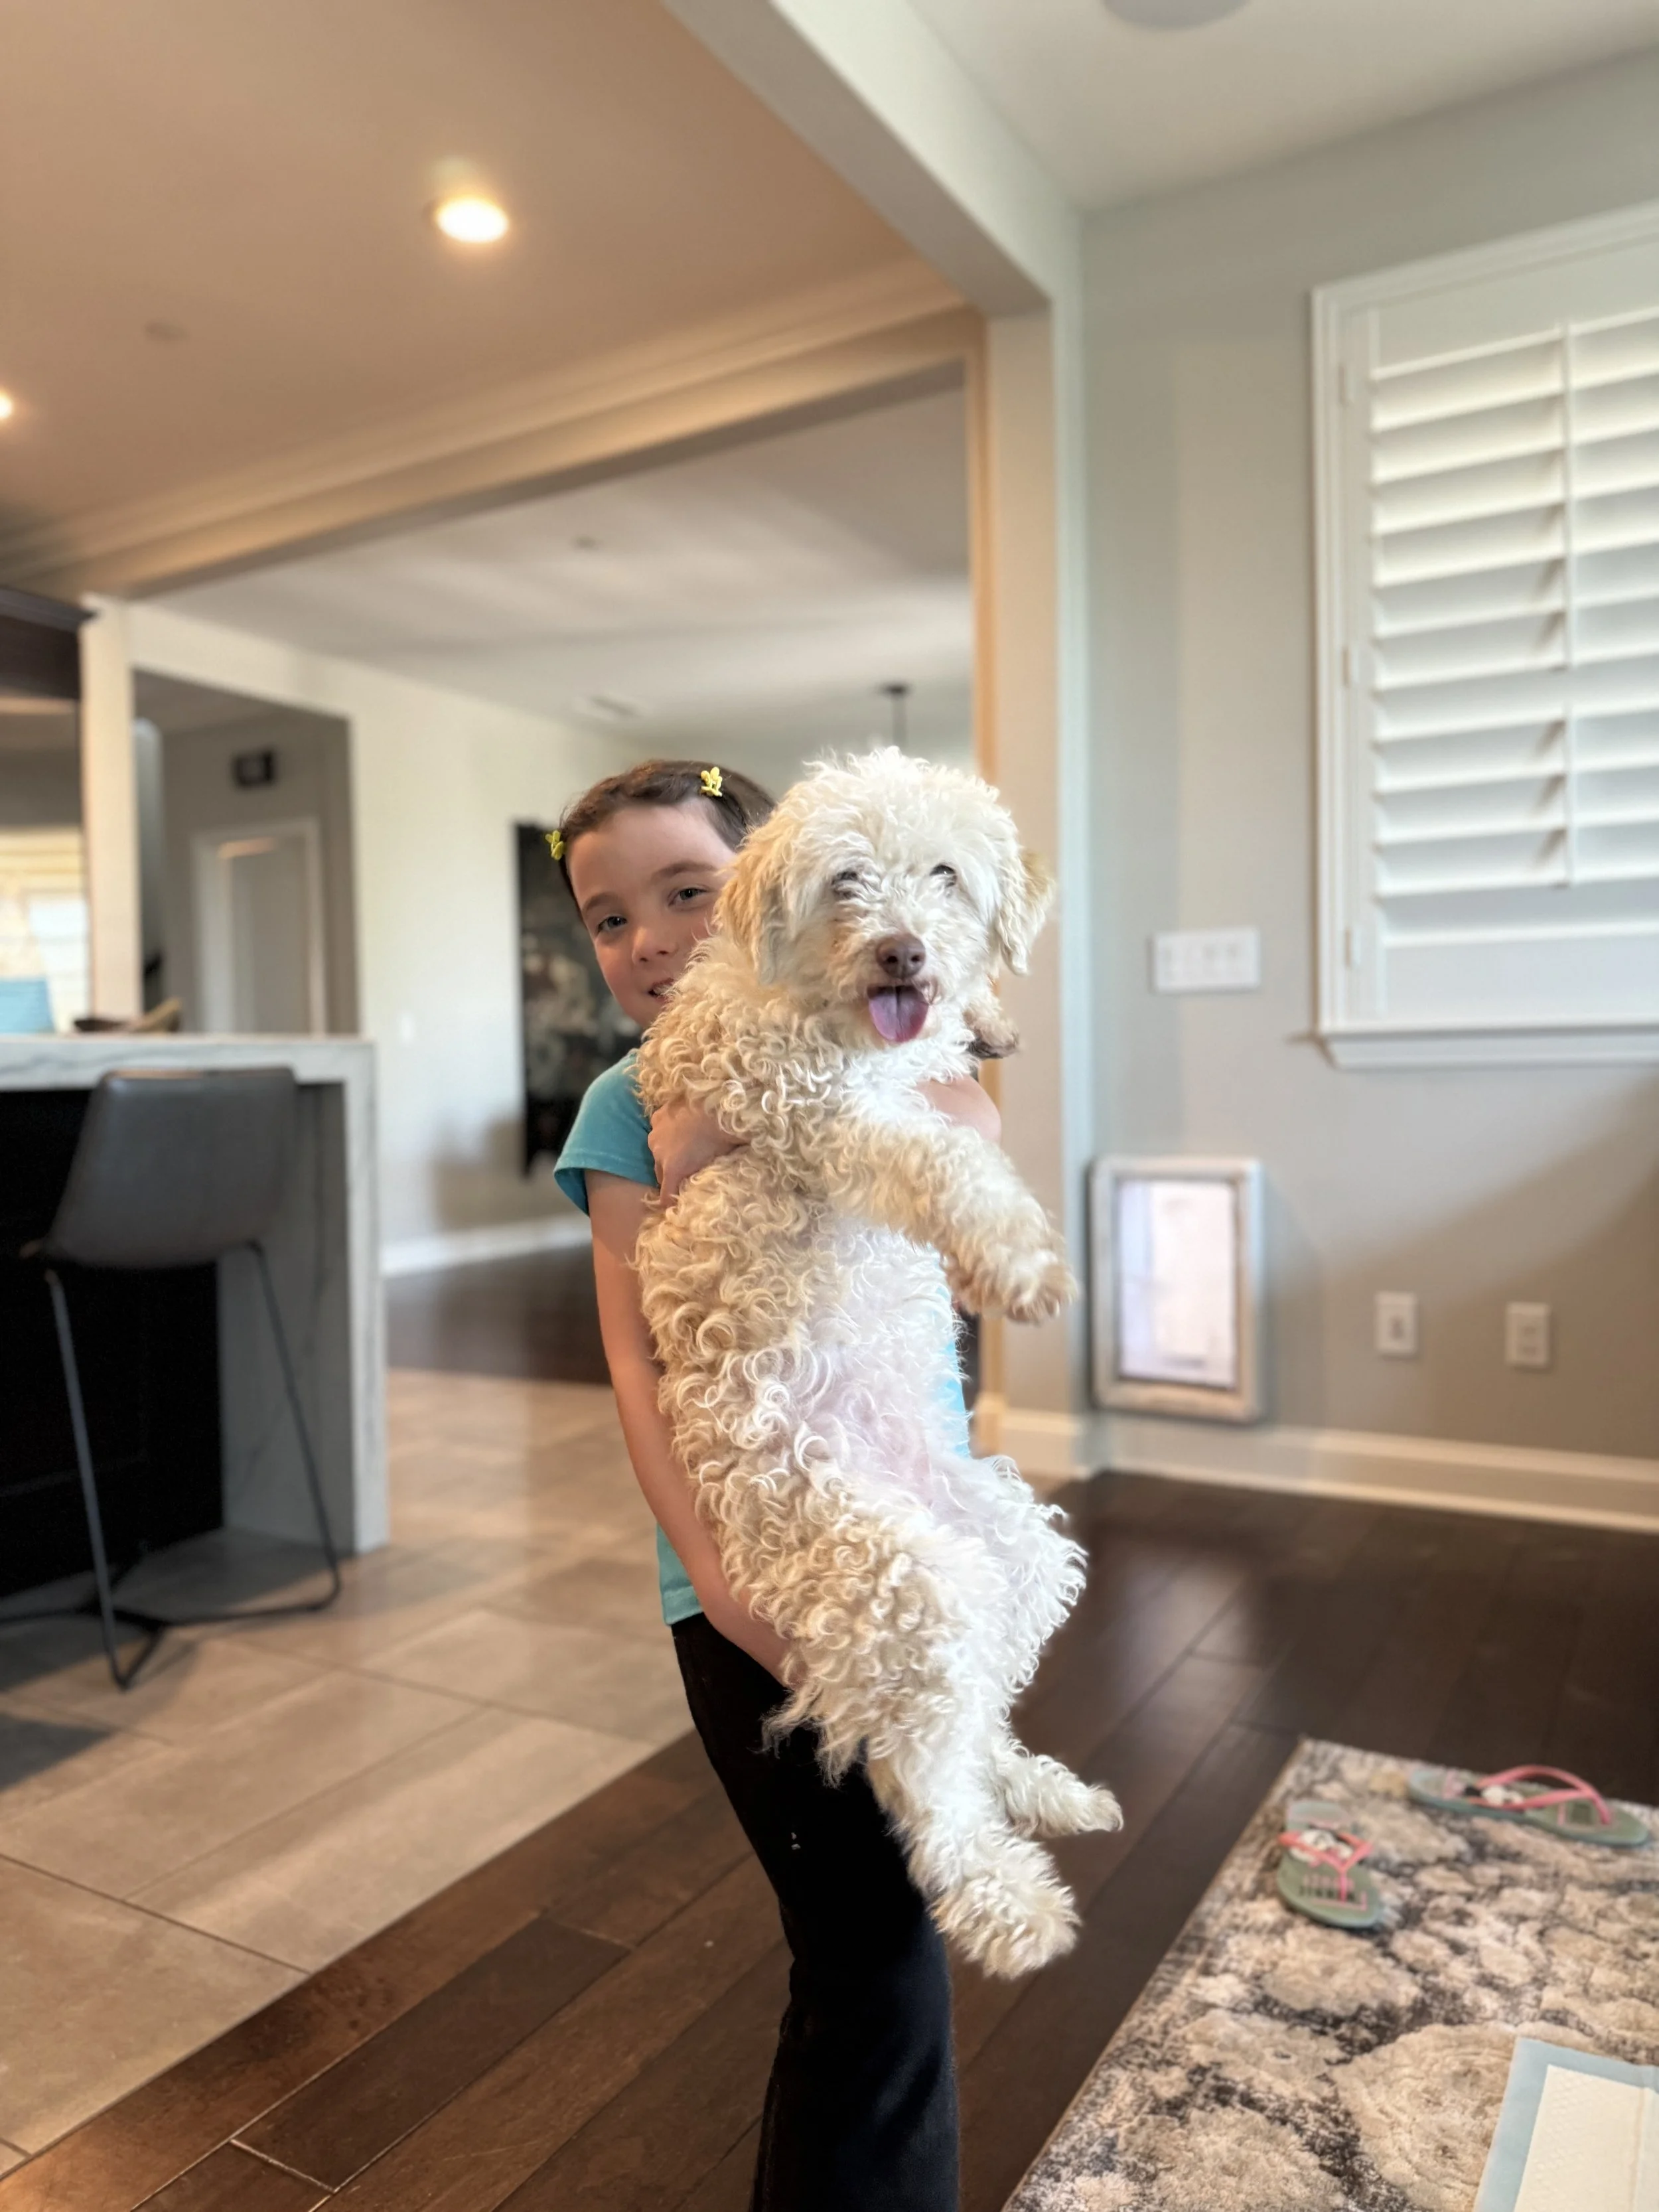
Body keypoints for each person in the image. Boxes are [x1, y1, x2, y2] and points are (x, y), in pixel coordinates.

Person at [551, 758, 998, 2211]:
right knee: (867, 1951)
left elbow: (973, 1140)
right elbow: (636, 1364)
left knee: (896, 1937)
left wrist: (749, 1118)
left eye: (687, 892)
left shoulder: (888, 1036)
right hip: (750, 1578)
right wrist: (720, 1583)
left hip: (908, 1542)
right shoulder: (627, 1100)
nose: (649, 940)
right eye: (608, 918)